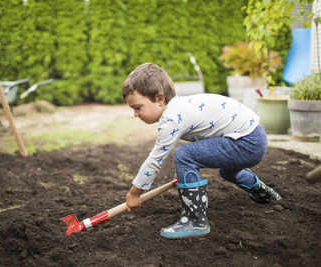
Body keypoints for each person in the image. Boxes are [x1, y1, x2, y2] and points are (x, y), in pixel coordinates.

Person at [121, 63, 282, 239]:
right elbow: (210, 134)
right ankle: (263, 193)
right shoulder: (180, 106)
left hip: (246, 142)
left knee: (183, 155)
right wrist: (185, 173)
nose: (135, 114)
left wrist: (134, 193)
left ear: (159, 99)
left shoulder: (172, 119)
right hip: (252, 138)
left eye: (137, 107)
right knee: (227, 172)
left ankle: (195, 220)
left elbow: (156, 159)